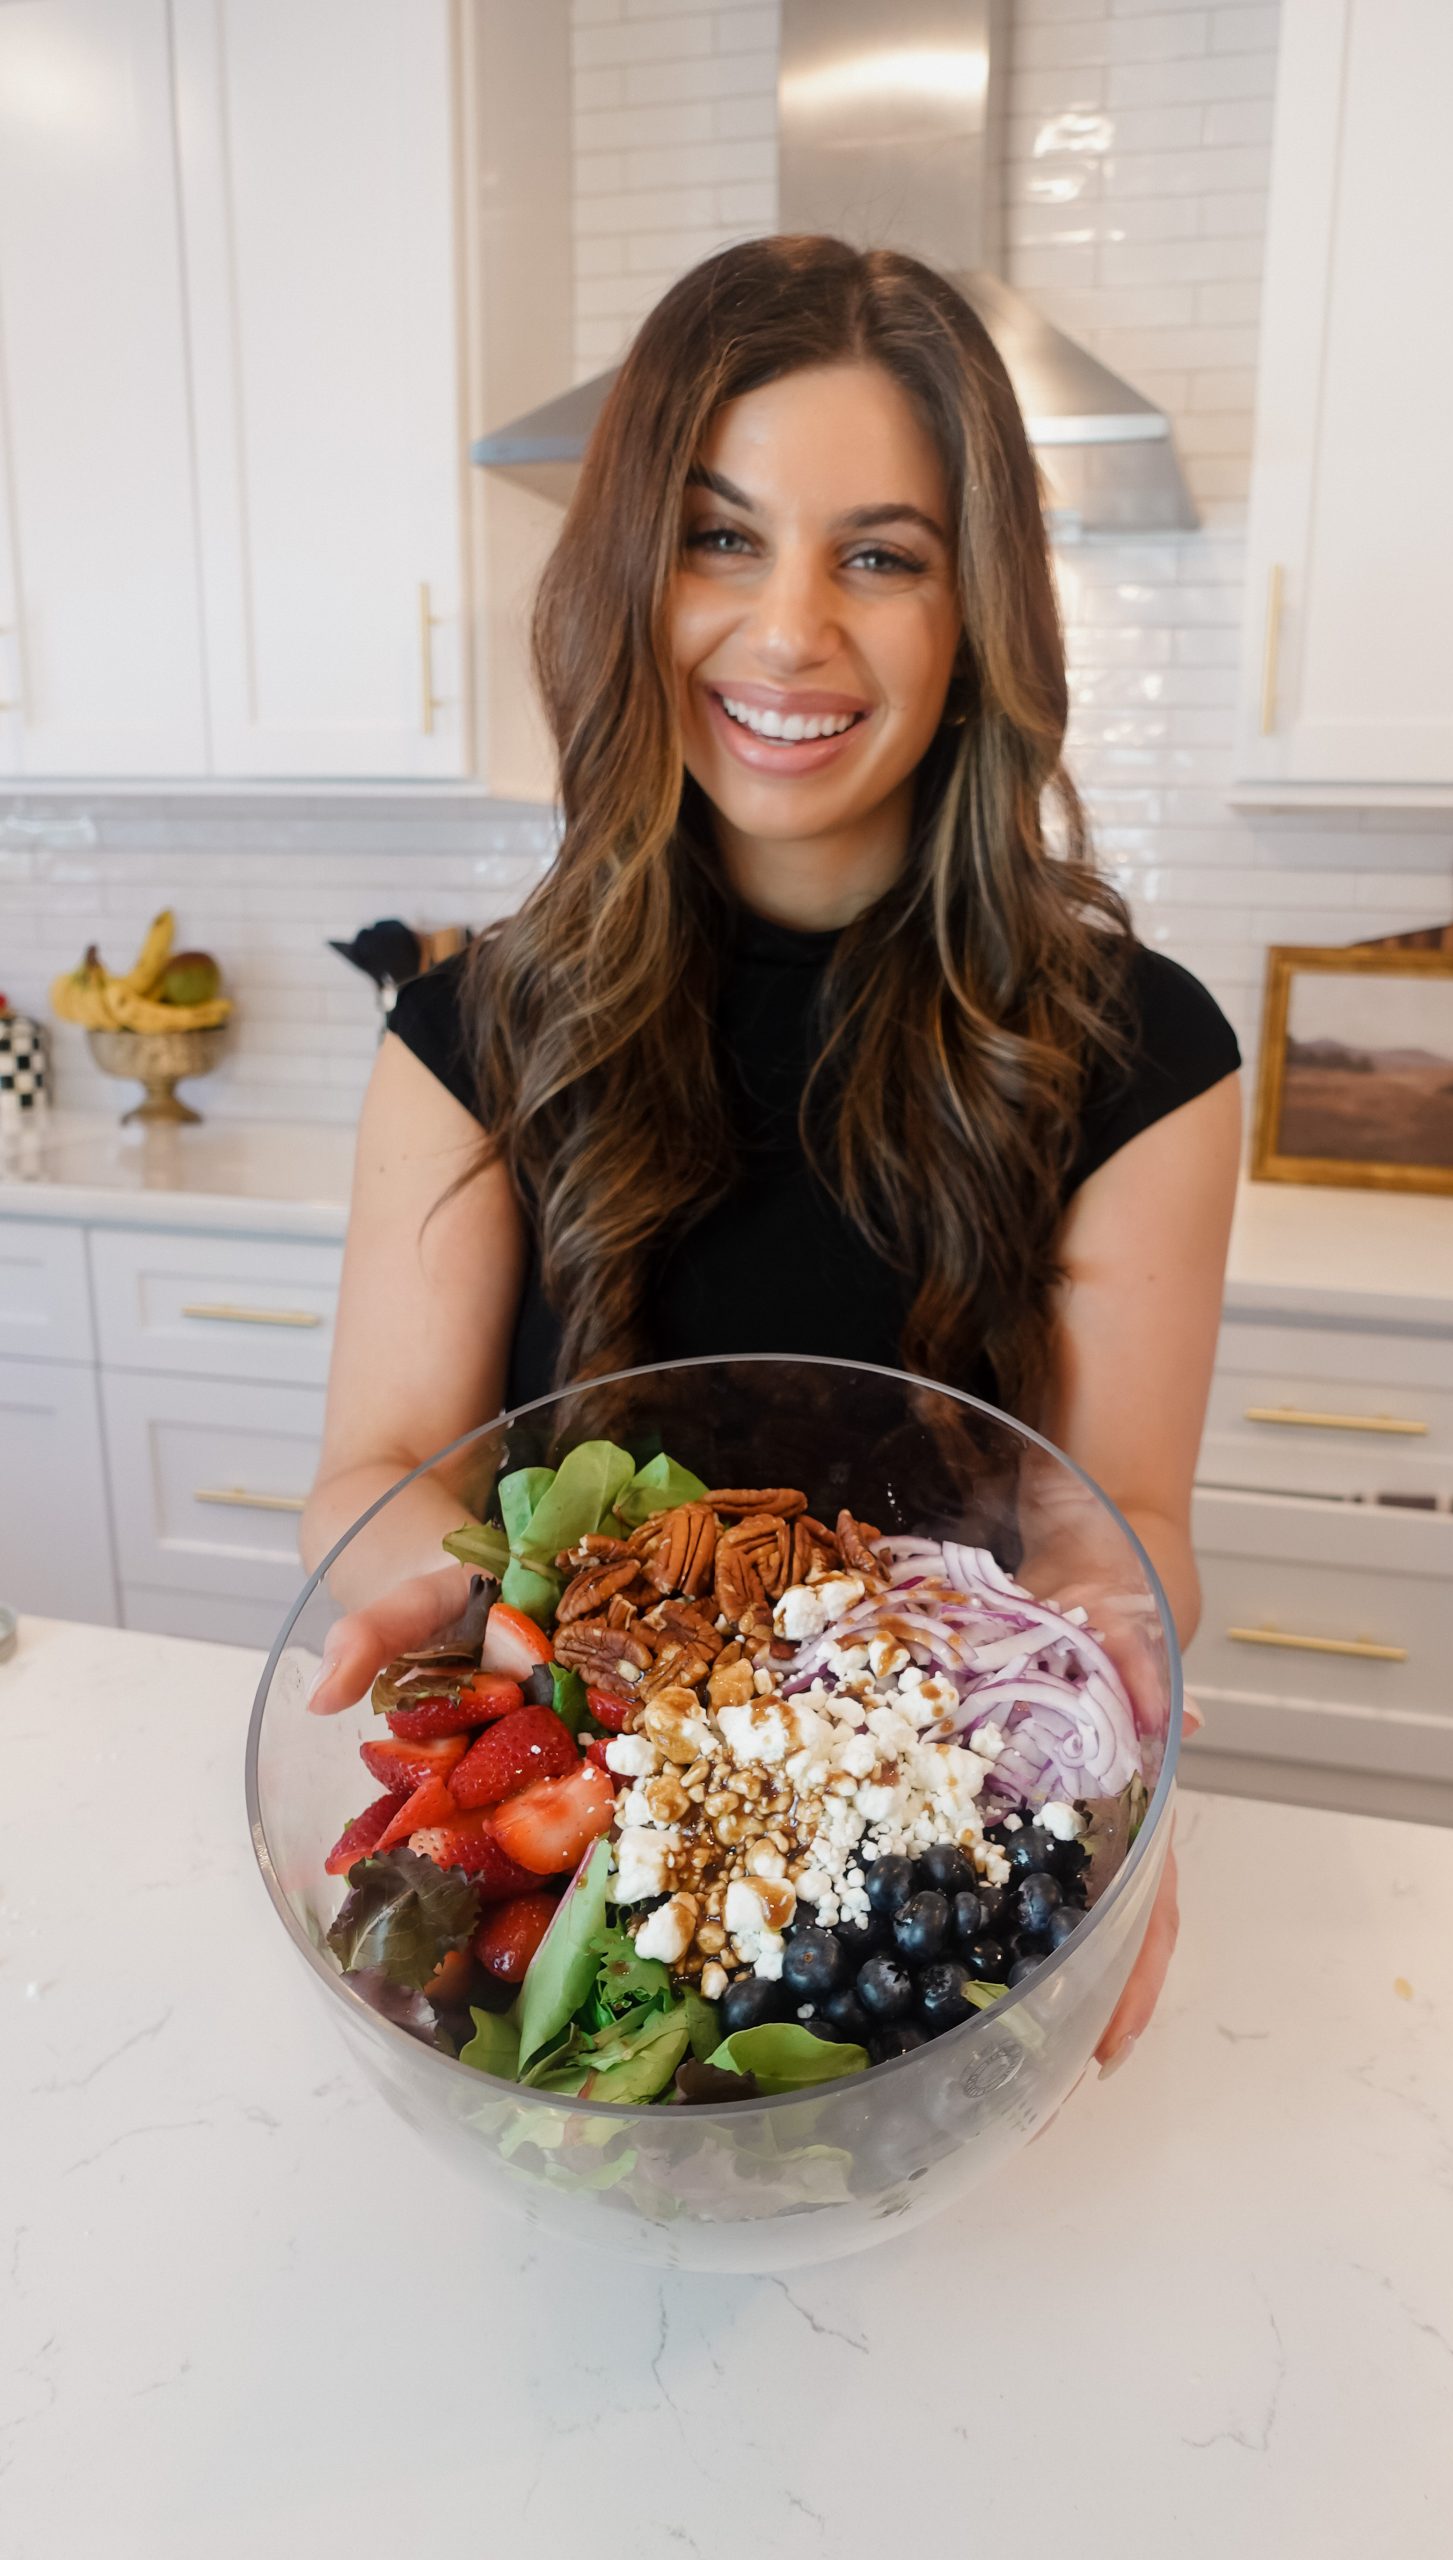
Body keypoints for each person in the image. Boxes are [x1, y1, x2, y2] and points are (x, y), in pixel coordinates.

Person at [301, 236, 1241, 2076]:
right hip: (602, 1827)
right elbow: (376, 1464)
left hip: (930, 1819)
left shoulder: (1143, 1054)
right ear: (627, 575)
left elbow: (1103, 1514)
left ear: (980, 613)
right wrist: (491, 1612)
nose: (791, 629)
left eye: (879, 556)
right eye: (722, 538)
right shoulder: (470, 1031)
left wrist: (1103, 1693)